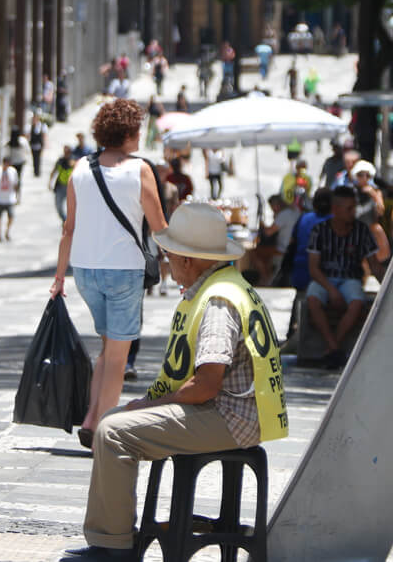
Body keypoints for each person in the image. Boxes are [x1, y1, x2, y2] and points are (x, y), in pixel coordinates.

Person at [65, 202, 287, 562]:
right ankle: (110, 538)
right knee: (113, 422)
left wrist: (148, 406)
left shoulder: (217, 301)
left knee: (115, 431)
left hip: (230, 416)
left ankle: (112, 547)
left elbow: (206, 385)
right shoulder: (227, 285)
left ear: (188, 259)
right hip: (238, 412)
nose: (167, 265)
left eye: (169, 257)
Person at [50, 98, 169, 450]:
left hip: (85, 271)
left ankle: (90, 418)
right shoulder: (141, 170)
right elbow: (159, 227)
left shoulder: (80, 170)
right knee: (118, 355)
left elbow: (68, 229)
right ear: (130, 133)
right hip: (123, 271)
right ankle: (105, 428)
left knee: (107, 347)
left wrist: (59, 278)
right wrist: (181, 267)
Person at [305, 185, 391, 368]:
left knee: (357, 302)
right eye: (349, 209)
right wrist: (331, 290)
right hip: (324, 278)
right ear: (336, 209)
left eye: (354, 208)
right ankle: (335, 348)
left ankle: (332, 346)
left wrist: (389, 287)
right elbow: (313, 268)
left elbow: (374, 266)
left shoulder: (361, 230)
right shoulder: (319, 231)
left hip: (350, 278)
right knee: (312, 299)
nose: (354, 213)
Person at [0, 155, 20, 242]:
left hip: (10, 198)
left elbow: (16, 184)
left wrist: (17, 196)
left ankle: (7, 232)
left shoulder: (13, 171)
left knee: (11, 216)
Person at [351, 160, 384, 227]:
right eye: (360, 175)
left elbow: (381, 212)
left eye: (367, 175)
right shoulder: (352, 191)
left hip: (370, 228)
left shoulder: (376, 191)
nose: (364, 178)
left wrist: (373, 194)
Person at [50, 145, 75, 222]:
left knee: (72, 206)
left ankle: (71, 221)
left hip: (71, 187)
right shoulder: (60, 161)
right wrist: (50, 182)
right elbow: (54, 171)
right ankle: (64, 219)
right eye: (65, 152)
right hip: (60, 186)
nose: (66, 154)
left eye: (67, 152)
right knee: (58, 206)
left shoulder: (74, 161)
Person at [6, 129, 30, 200]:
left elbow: (6, 152)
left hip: (12, 163)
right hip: (20, 163)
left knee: (11, 179)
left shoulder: (9, 141)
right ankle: (18, 196)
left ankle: (12, 194)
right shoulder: (23, 141)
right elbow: (27, 151)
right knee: (18, 179)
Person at [29, 113, 47, 179]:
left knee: (38, 158)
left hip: (39, 145)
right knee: (34, 158)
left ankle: (38, 171)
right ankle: (35, 171)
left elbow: (44, 135)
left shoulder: (42, 126)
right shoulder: (31, 126)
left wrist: (44, 145)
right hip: (33, 145)